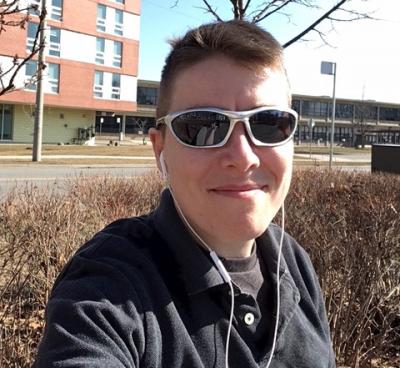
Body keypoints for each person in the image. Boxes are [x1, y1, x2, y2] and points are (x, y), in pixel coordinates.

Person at [34, 20, 335, 367]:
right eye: (204, 126)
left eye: (269, 123)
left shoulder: (294, 262)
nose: (243, 157)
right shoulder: (111, 283)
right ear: (160, 149)